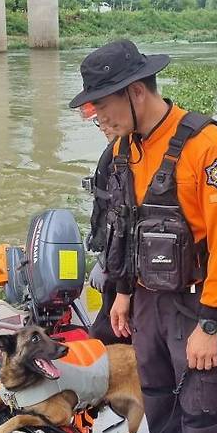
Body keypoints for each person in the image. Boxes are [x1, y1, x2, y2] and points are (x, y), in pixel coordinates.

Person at [69, 39, 217, 433]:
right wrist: (122, 293)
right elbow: (125, 228)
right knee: (161, 404)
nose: (98, 119)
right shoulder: (124, 149)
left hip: (195, 307)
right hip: (145, 302)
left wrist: (210, 325)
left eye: (102, 107)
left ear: (136, 92)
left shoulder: (206, 146)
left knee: (202, 419)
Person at [80, 103, 132, 345]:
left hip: (124, 270)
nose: (102, 128)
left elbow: (128, 221)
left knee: (105, 334)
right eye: (98, 122)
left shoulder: (129, 153)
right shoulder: (116, 151)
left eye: (104, 122)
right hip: (116, 263)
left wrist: (105, 264)